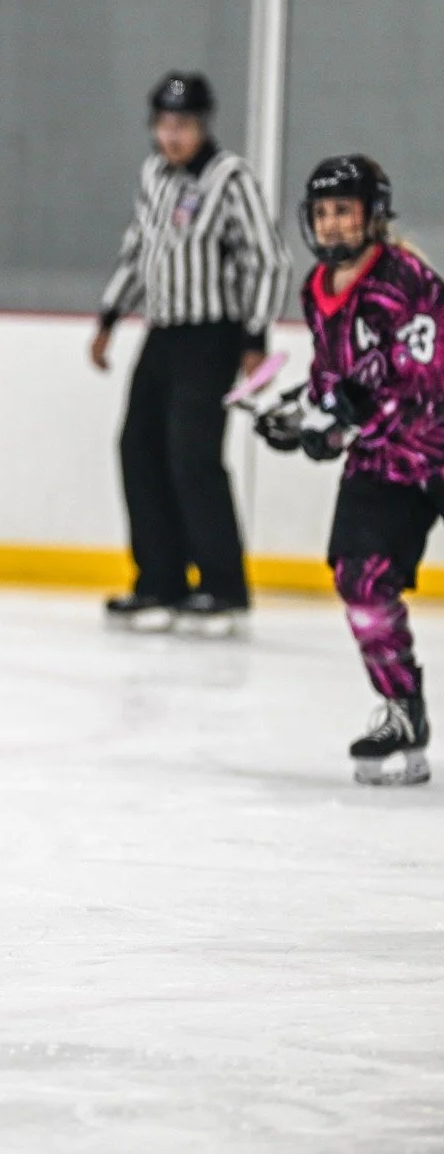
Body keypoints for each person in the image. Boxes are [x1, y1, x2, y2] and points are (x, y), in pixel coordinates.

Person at [253, 155, 440, 786]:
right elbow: (336, 376)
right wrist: (298, 413)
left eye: (345, 212)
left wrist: (337, 422)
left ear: (374, 216)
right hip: (384, 461)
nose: (332, 226)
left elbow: (421, 386)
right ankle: (402, 710)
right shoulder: (317, 289)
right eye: (323, 214)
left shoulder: (405, 280)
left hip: (433, 446)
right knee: (359, 580)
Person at [91, 71, 289, 636]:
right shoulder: (153, 174)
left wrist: (255, 338)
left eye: (183, 125)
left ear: (204, 126)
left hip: (213, 334)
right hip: (163, 331)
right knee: (137, 447)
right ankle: (160, 580)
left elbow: (268, 260)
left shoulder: (231, 179)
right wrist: (109, 317)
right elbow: (138, 251)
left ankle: (223, 586)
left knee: (192, 456)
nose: (172, 136)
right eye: (164, 124)